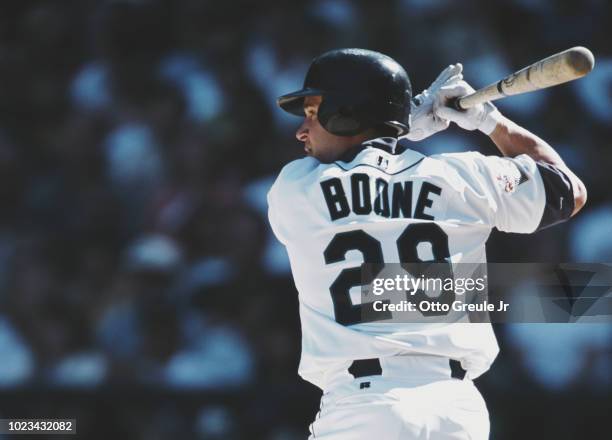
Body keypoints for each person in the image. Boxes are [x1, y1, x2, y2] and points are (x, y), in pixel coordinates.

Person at [267, 48, 586, 440]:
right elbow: (566, 190)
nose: (302, 130)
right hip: (456, 411)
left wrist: (408, 121)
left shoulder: (296, 187)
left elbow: (359, 168)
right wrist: (490, 121)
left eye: (313, 113)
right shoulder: (463, 174)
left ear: (345, 113)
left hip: (364, 406)